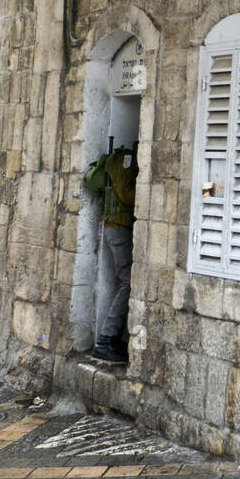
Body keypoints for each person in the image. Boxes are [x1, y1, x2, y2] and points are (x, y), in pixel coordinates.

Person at [83, 146, 139, 363]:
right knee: (128, 283)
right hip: (118, 227)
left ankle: (112, 339)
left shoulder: (123, 161)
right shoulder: (125, 162)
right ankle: (106, 339)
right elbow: (126, 195)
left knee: (125, 282)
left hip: (117, 227)